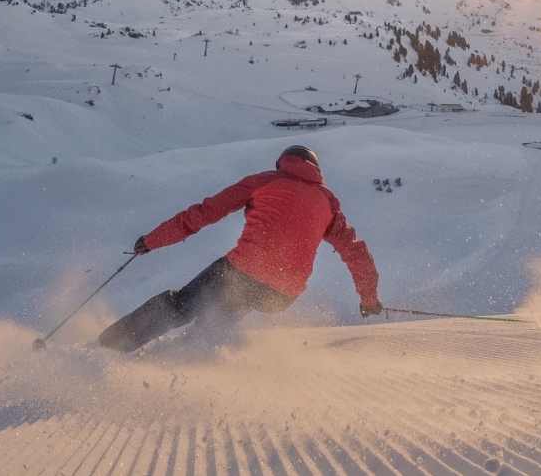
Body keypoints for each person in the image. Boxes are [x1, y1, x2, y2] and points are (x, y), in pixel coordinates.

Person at [98, 144, 382, 352]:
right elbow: (356, 251)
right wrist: (369, 299)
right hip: (283, 293)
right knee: (224, 310)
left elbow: (205, 212)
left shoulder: (265, 181)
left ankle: (108, 347)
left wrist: (152, 240)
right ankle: (187, 356)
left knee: (180, 305)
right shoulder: (328, 201)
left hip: (244, 271)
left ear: (282, 162)